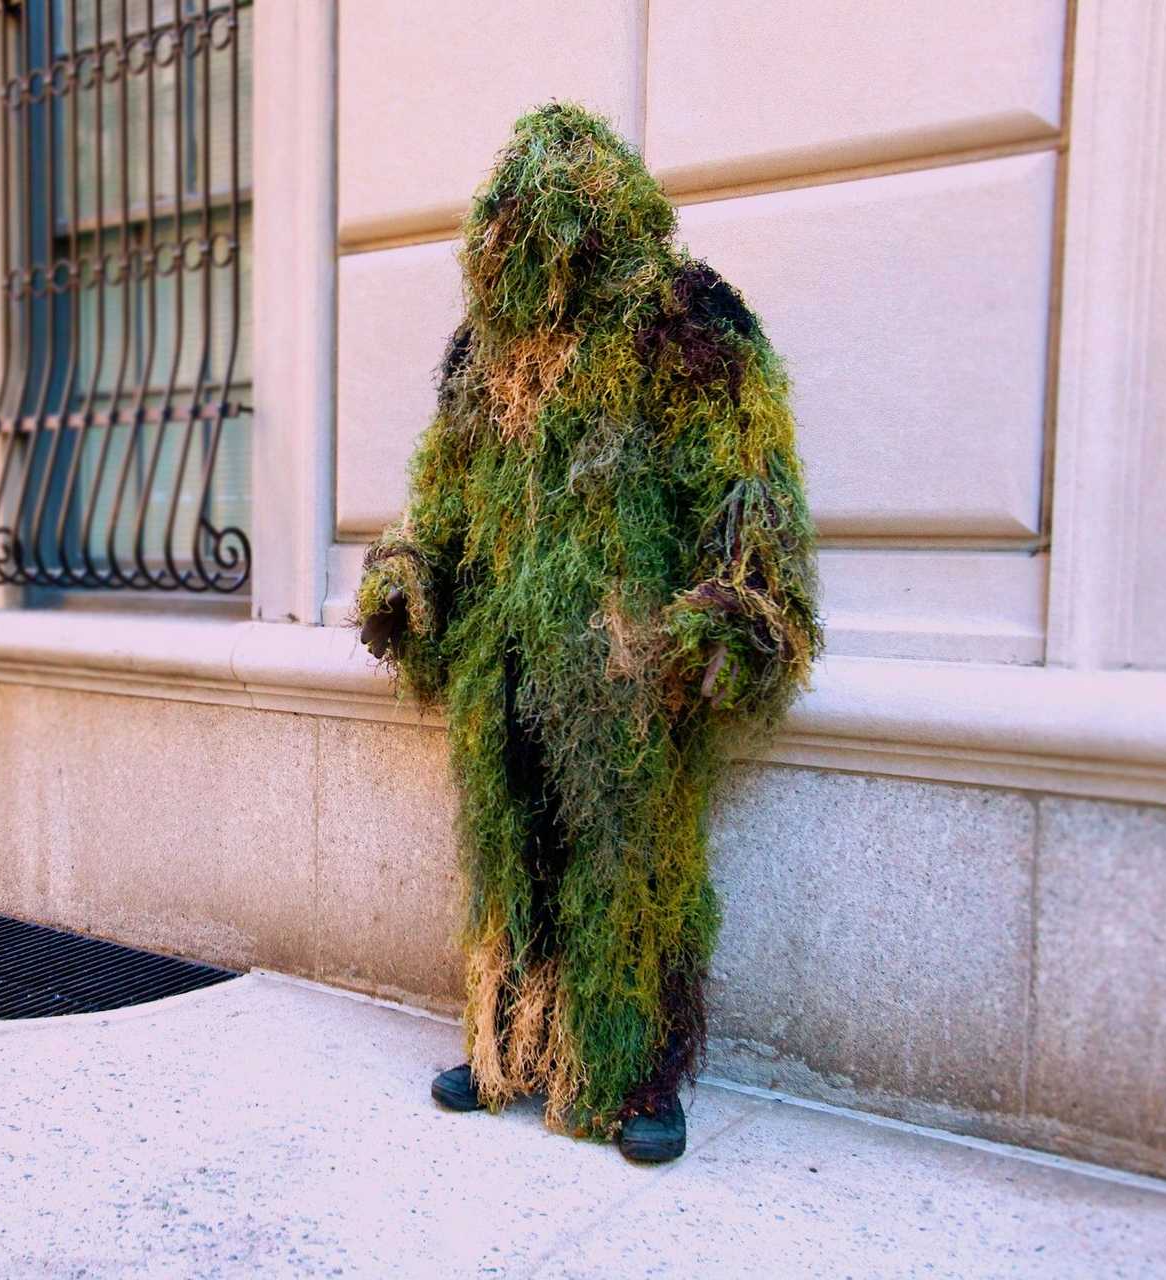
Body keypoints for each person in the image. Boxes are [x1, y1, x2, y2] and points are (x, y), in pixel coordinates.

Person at [356, 102, 820, 1163]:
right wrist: (409, 574)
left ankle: (638, 1075)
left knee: (633, 866)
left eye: (540, 225)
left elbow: (749, 484)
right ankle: (510, 1043)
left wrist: (738, 610)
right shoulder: (481, 353)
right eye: (505, 226)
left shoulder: (685, 319)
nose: (518, 246)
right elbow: (446, 493)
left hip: (625, 668)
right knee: (507, 848)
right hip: (500, 660)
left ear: (592, 224)